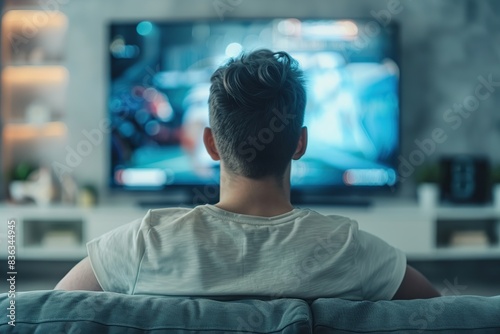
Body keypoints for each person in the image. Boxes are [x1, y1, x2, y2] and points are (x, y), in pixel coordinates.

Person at [55, 50, 440, 300]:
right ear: (300, 143)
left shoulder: (143, 243)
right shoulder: (351, 249)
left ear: (211, 144)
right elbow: (446, 318)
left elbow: (48, 315)